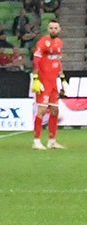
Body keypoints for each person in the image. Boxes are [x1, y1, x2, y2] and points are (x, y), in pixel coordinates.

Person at [32, 20, 67, 150]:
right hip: (43, 81)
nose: (53, 30)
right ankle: (36, 141)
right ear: (48, 29)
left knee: (54, 110)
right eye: (51, 28)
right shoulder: (42, 42)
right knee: (41, 110)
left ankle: (52, 141)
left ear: (59, 29)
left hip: (53, 82)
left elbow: (58, 62)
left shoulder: (59, 43)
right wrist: (36, 78)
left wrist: (62, 79)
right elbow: (36, 61)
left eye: (55, 28)